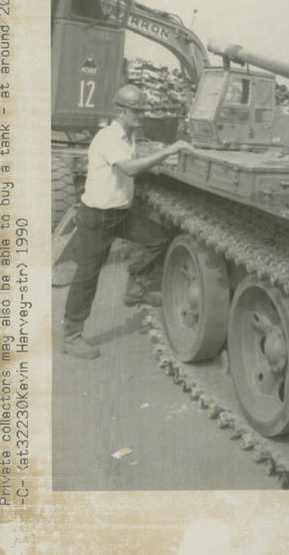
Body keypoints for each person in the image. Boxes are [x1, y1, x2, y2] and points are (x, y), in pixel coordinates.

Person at [62, 84, 195, 359]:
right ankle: (71, 336)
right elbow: (129, 168)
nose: (141, 116)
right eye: (136, 111)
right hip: (97, 217)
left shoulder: (128, 136)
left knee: (159, 238)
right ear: (120, 111)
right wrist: (167, 153)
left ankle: (136, 286)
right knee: (87, 276)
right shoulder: (109, 137)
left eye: (142, 111)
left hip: (119, 214)